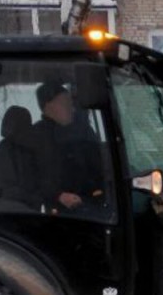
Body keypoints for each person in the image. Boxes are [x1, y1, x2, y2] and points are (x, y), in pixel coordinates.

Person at [26, 81, 105, 213]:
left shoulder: (78, 133)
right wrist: (58, 196)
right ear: (48, 106)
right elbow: (32, 179)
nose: (72, 109)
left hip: (89, 202)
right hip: (58, 211)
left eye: (71, 104)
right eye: (65, 103)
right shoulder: (37, 137)